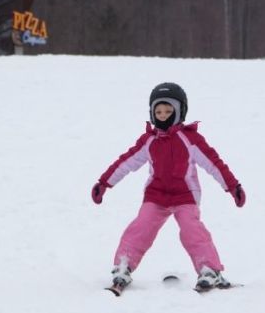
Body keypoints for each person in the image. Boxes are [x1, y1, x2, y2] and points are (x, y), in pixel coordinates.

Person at [91, 82, 245, 291]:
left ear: (179, 111)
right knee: (141, 227)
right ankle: (123, 266)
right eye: (158, 111)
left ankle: (210, 270)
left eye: (168, 110)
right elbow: (126, 162)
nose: (163, 115)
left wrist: (232, 186)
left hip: (185, 196)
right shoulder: (149, 140)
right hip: (156, 195)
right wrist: (104, 182)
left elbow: (213, 163)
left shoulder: (190, 139)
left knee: (192, 230)